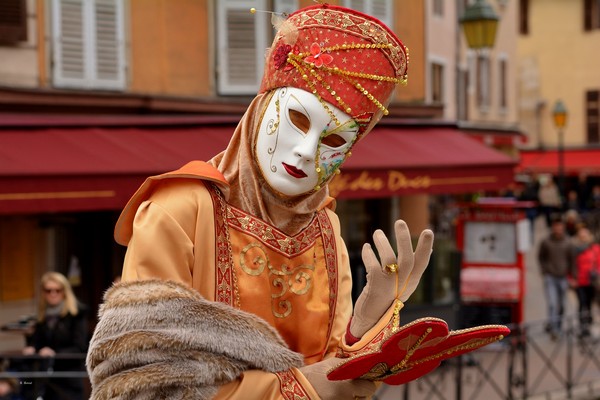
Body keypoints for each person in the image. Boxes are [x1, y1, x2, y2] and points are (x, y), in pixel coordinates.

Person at [86, 4, 505, 399]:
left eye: (335, 140)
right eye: (297, 119)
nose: (307, 151)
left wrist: (369, 320)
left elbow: (335, 370)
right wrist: (300, 388)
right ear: (261, 107)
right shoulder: (178, 211)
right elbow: (141, 384)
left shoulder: (325, 228)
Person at [22, 272, 88, 400]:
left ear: (65, 291)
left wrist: (54, 353)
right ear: (43, 293)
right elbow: (38, 342)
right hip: (46, 378)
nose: (53, 294)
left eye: (58, 290)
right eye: (48, 290)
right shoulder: (42, 317)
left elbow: (79, 347)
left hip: (68, 377)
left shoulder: (77, 314)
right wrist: (31, 346)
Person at [538, 217, 573, 339]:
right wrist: (544, 270)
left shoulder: (568, 242)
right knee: (552, 303)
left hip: (563, 277)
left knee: (562, 304)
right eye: (556, 227)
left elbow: (572, 260)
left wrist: (573, 276)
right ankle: (554, 328)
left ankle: (558, 325)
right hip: (550, 276)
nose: (558, 229)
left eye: (560, 227)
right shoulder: (546, 242)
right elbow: (541, 257)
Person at [568, 226, 600, 338]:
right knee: (582, 303)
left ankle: (588, 325)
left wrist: (597, 272)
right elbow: (571, 264)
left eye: (585, 235)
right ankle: (582, 326)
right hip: (579, 281)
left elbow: (599, 262)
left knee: (590, 303)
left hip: (591, 281)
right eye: (581, 236)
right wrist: (571, 278)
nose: (583, 238)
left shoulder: (595, 248)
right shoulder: (574, 249)